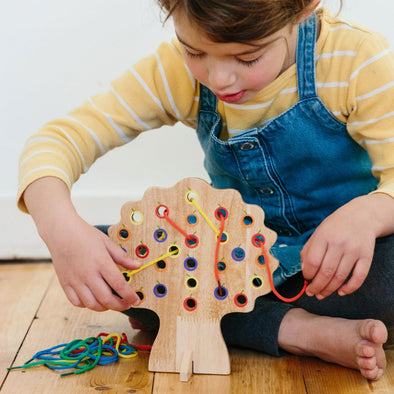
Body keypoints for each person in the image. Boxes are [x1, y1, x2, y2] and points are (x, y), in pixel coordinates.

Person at [18, 0, 393, 381]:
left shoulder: (356, 59)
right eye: (195, 51)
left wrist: (369, 213)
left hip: (343, 269)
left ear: (303, 9)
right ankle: (302, 332)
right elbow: (60, 138)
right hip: (234, 268)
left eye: (248, 58)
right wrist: (60, 229)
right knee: (118, 264)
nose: (219, 79)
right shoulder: (176, 71)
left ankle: (260, 325)